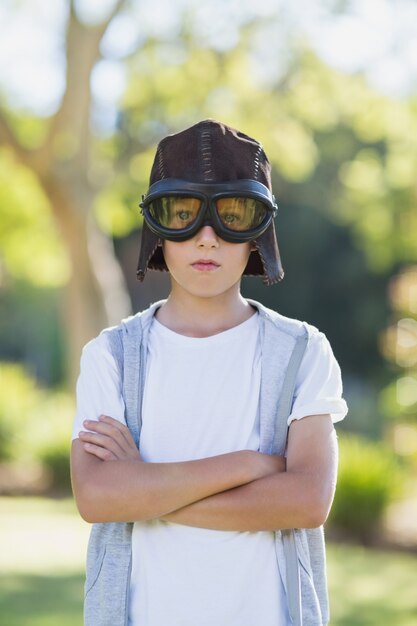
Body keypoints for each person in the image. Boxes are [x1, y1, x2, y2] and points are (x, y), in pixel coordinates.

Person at [71, 119, 348, 626]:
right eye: (182, 213)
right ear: (158, 227)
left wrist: (142, 491)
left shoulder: (302, 352)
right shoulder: (110, 356)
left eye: (231, 215)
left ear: (258, 232)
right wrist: (249, 465)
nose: (205, 239)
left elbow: (307, 500)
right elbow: (97, 496)